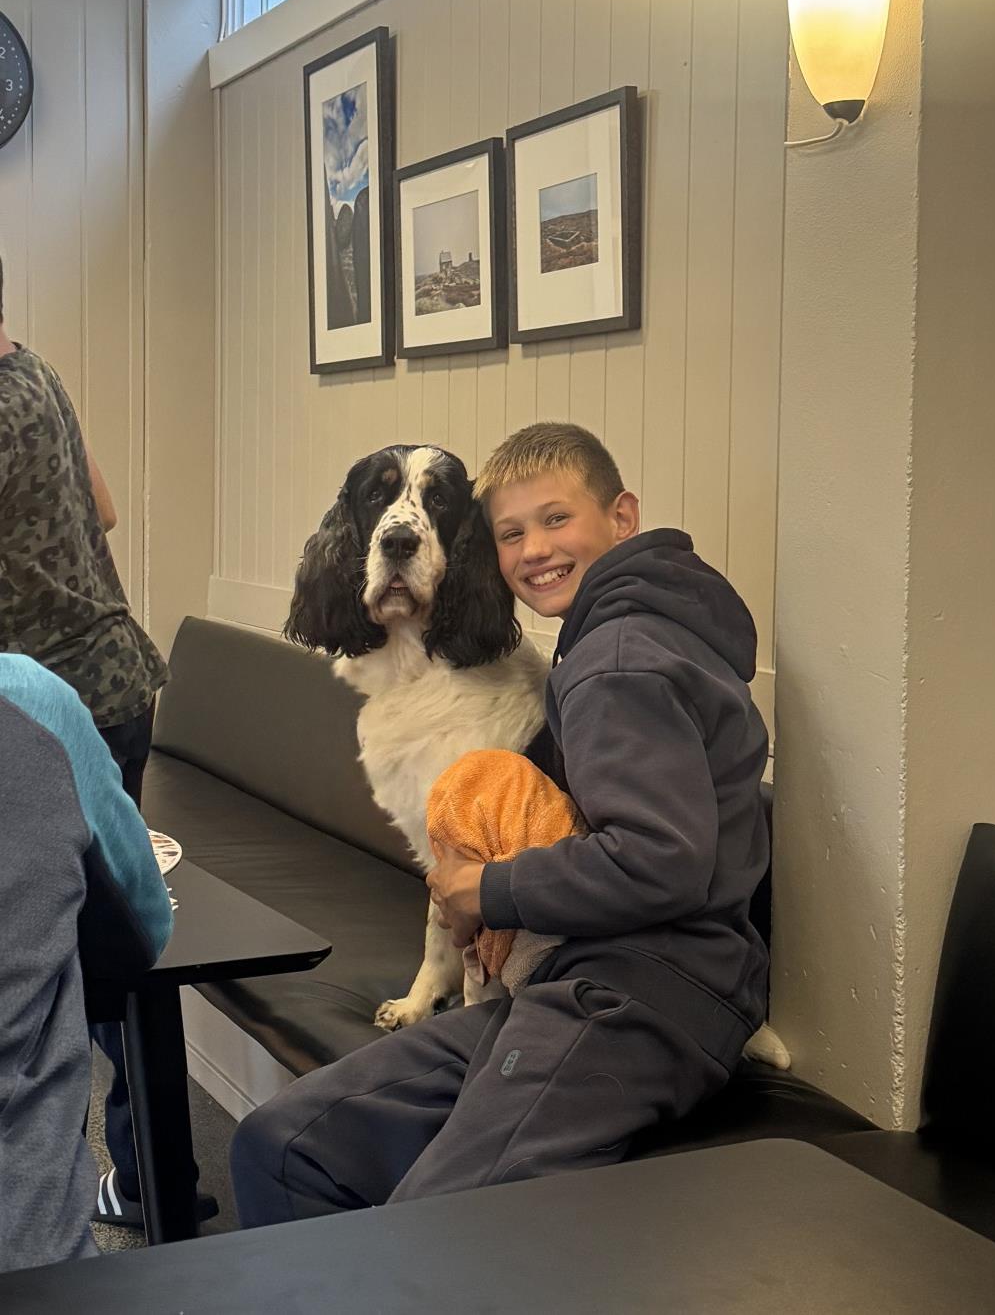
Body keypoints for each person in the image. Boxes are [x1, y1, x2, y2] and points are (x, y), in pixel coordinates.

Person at [231, 420, 771, 1222]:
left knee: (438, 1224)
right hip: (571, 978)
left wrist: (484, 890)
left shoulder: (620, 661)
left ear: (622, 517)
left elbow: (661, 861)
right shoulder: (607, 642)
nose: (533, 550)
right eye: (511, 533)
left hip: (639, 995)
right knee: (283, 1142)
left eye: (556, 519)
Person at [0, 257, 181, 1229]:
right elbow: (102, 510)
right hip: (104, 685)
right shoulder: (33, 367)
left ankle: (88, 1188)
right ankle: (147, 1177)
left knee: (64, 959)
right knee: (92, 942)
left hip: (41, 708)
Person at [0, 654, 173, 1272]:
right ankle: (137, 1182)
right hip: (31, 1255)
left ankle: (134, 1180)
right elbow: (141, 928)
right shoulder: (27, 697)